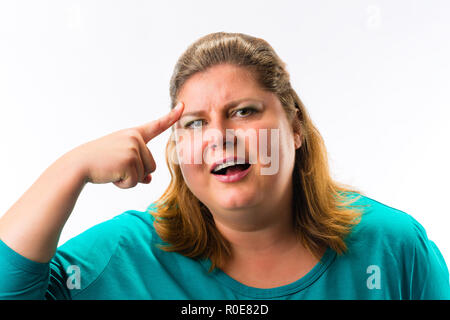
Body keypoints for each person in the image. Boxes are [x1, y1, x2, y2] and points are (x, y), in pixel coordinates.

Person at [0, 32, 448, 300]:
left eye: (244, 112)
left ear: (294, 127)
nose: (218, 136)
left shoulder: (391, 249)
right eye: (195, 123)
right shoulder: (124, 255)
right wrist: (70, 168)